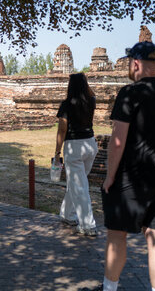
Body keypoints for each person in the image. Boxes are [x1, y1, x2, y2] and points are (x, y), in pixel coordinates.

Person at [97, 42, 155, 291]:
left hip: (133, 176)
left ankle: (109, 289)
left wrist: (109, 176)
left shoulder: (130, 93)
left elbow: (118, 140)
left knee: (116, 235)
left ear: (135, 63)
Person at [54, 73, 99, 237]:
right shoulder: (90, 101)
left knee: (79, 186)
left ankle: (88, 225)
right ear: (85, 85)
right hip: (90, 145)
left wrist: (57, 151)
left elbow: (62, 130)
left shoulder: (66, 104)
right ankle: (67, 215)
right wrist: (84, 85)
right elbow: (92, 94)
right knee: (77, 182)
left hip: (74, 146)